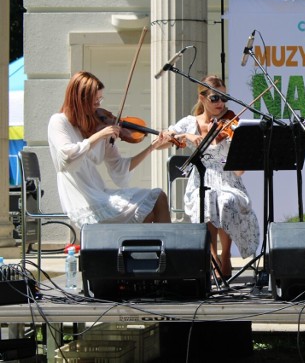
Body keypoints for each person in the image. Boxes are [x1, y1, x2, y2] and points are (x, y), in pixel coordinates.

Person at [162, 75, 260, 280]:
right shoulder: (189, 123)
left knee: (226, 200)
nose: (221, 104)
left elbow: (239, 171)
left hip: (228, 178)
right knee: (206, 201)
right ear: (202, 98)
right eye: (215, 98)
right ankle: (212, 259)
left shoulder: (232, 123)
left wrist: (238, 144)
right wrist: (186, 136)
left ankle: (225, 257)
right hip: (201, 178)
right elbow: (163, 140)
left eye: (225, 98)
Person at [47, 71, 172, 227]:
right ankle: (166, 249)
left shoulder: (94, 126)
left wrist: (152, 147)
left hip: (100, 193)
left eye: (100, 99)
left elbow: (119, 168)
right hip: (84, 200)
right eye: (95, 101)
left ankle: (163, 249)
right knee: (150, 209)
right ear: (80, 99)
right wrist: (99, 135)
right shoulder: (59, 122)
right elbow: (67, 158)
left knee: (157, 198)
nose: (99, 105)